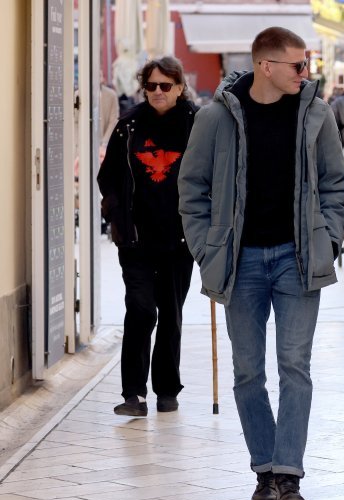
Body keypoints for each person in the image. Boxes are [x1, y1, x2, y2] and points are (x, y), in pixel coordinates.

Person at [178, 27, 344, 500]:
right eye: (298, 65)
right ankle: (264, 472)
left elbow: (337, 184)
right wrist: (207, 252)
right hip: (240, 262)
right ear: (265, 66)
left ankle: (289, 475)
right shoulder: (216, 118)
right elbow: (193, 189)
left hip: (298, 260)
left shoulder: (316, 115)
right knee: (248, 372)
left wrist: (329, 239)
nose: (305, 73)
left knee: (295, 367)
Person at [97, 56, 197, 417]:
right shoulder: (129, 125)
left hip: (180, 239)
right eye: (151, 86)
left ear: (180, 88)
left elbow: (213, 174)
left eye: (165, 86)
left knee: (171, 314)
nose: (157, 92)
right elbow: (106, 176)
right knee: (140, 309)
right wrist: (115, 213)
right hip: (136, 238)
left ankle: (167, 390)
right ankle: (133, 394)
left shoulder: (194, 124)